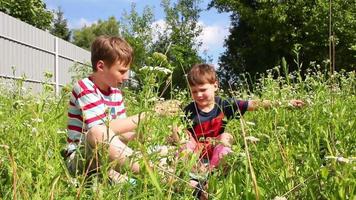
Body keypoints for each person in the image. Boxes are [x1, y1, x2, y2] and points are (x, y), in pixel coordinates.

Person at [181, 63, 305, 199]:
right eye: (194, 91)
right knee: (182, 140)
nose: (198, 95)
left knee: (226, 136)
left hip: (215, 154)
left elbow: (254, 104)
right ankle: (196, 183)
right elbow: (184, 137)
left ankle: (210, 179)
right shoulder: (189, 110)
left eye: (203, 89)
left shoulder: (224, 104)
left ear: (215, 86)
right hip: (195, 157)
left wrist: (284, 103)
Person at [65, 35, 144, 183]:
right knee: (98, 132)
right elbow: (100, 131)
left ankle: (186, 182)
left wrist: (139, 135)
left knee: (163, 151)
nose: (126, 77)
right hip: (81, 158)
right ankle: (155, 175)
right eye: (121, 71)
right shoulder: (84, 87)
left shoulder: (116, 93)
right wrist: (145, 116)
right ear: (101, 66)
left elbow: (119, 133)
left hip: (104, 158)